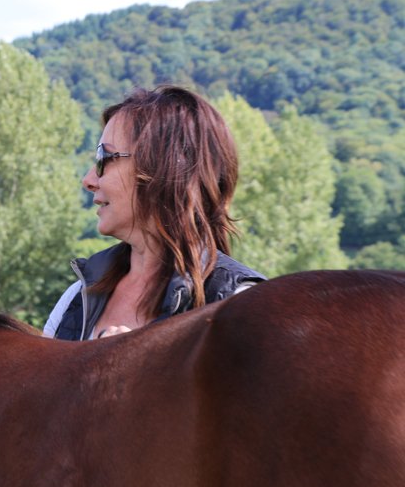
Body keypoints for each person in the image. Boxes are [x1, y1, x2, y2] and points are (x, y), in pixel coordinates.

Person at [43, 85, 265, 341]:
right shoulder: (76, 299)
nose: (89, 180)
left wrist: (136, 362)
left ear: (164, 169)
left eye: (104, 158)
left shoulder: (241, 306)